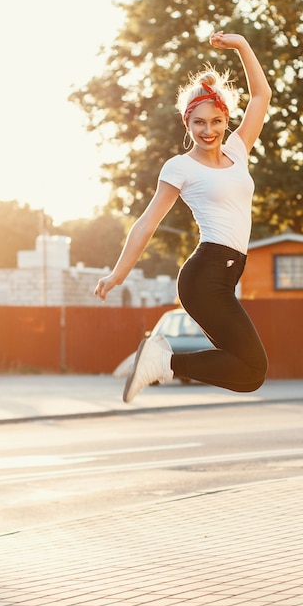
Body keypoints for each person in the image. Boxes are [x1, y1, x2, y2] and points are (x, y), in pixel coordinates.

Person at [94, 31, 271, 402]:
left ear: (226, 120)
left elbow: (261, 96)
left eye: (217, 122)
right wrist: (118, 274)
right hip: (204, 276)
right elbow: (147, 222)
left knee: (249, 371)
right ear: (187, 124)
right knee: (253, 368)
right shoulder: (180, 167)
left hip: (223, 275)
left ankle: (163, 363)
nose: (209, 131)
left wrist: (241, 45)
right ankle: (163, 363)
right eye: (199, 123)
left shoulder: (238, 150)